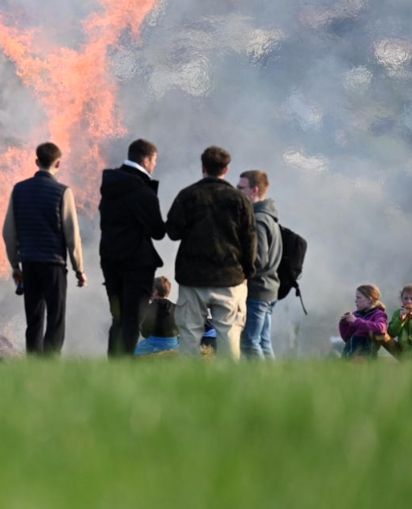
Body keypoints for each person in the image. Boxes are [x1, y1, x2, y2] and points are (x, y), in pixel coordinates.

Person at [166, 146, 255, 360]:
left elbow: (173, 232)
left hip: (192, 278)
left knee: (189, 334)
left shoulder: (188, 195)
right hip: (230, 278)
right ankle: (228, 379)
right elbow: (250, 239)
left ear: (203, 167)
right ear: (226, 169)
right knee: (229, 334)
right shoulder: (239, 200)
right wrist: (248, 272)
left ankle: (189, 378)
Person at [2, 142, 86, 355]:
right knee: (55, 319)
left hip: (29, 264)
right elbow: (72, 235)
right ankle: (50, 365)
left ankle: (33, 363)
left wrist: (15, 265)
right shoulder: (63, 192)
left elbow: (8, 232)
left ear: (36, 161)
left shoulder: (19, 190)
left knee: (34, 319)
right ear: (58, 164)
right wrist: (79, 270)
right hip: (54, 264)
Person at [98, 138, 165, 356]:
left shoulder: (109, 186)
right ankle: (124, 365)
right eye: (154, 161)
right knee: (133, 319)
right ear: (146, 160)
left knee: (117, 317)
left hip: (110, 259)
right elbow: (158, 231)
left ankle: (113, 364)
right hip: (137, 263)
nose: (154, 165)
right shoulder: (142, 191)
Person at [236, 170, 282, 360]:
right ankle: (272, 377)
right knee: (263, 341)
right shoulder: (269, 217)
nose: (237, 191)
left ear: (254, 190)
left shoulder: (258, 220)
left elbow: (258, 259)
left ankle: (259, 378)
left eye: (241, 188)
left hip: (257, 290)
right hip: (268, 289)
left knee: (249, 343)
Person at [380, 284, 412, 359]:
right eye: (405, 298)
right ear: (401, 300)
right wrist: (401, 319)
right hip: (401, 351)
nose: (409, 301)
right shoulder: (397, 313)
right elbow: (391, 333)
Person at [339, 284, 388, 359]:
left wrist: (356, 321)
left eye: (358, 297)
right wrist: (344, 324)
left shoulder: (379, 314)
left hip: (365, 357)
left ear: (369, 300)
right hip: (348, 355)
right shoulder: (355, 315)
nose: (355, 300)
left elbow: (380, 328)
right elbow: (347, 338)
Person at [135, 276, 178, 356]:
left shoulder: (148, 308)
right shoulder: (176, 307)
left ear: (155, 292)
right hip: (173, 343)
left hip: (153, 343)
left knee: (134, 352)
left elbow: (144, 333)